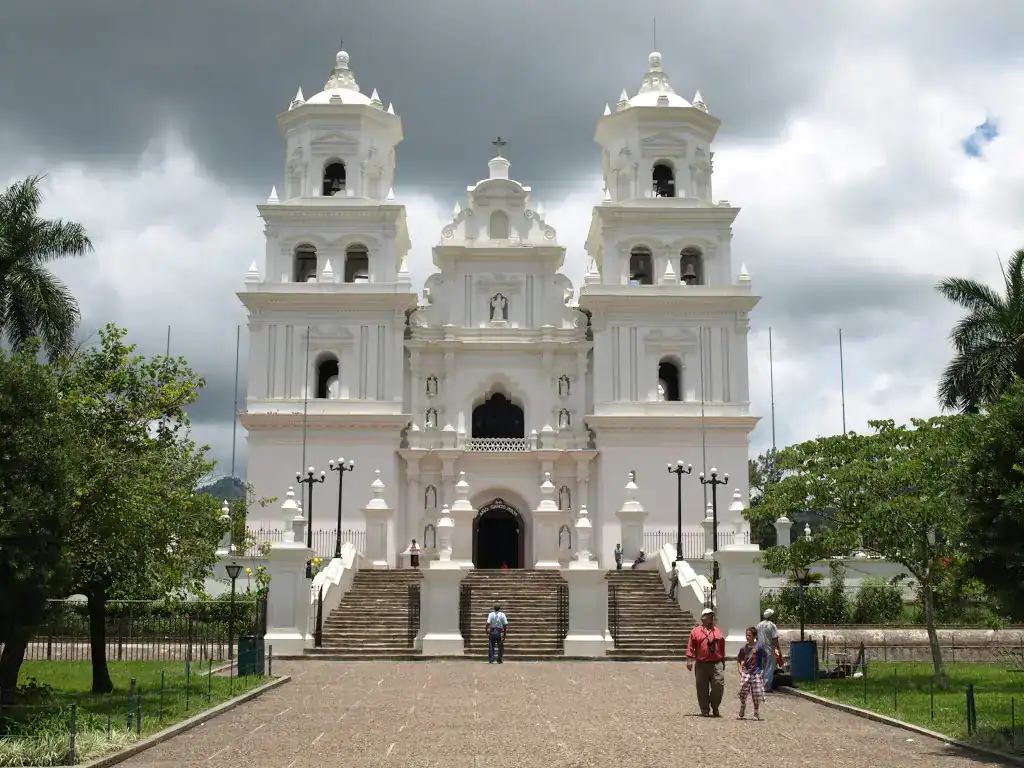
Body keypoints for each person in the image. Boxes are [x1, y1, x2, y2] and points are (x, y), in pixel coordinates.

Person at [686, 607, 726, 717]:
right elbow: (691, 646)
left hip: (716, 663)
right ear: (703, 618)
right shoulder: (695, 631)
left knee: (719, 685)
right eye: (709, 615)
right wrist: (689, 659)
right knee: (702, 687)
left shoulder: (717, 631)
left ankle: (715, 705)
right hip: (701, 663)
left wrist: (723, 660)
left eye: (712, 616)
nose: (712, 617)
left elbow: (722, 646)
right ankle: (705, 709)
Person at [737, 626, 768, 719]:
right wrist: (739, 669)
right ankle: (743, 704)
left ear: (754, 636)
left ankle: (756, 711)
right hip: (746, 672)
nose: (747, 637)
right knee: (742, 690)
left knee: (757, 693)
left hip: (756, 672)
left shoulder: (759, 647)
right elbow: (739, 659)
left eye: (749, 635)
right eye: (746, 635)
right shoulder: (744, 648)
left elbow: (765, 657)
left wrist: (763, 669)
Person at [756, 609, 781, 692]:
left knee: (761, 666)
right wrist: (778, 650)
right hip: (769, 649)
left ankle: (759, 684)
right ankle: (767, 686)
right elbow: (775, 639)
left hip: (760, 648)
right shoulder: (772, 626)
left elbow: (756, 637)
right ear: (771, 616)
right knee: (769, 667)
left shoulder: (759, 625)